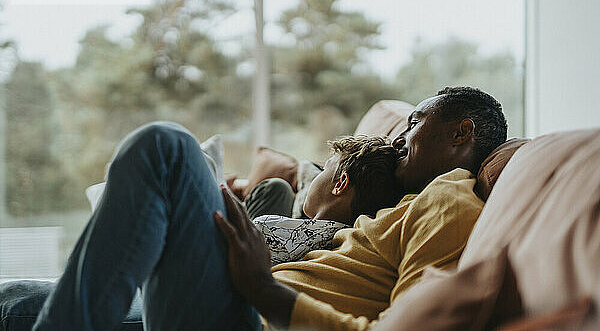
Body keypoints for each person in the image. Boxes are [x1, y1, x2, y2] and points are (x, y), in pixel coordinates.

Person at [33, 86, 507, 331]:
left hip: (252, 315)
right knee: (15, 300)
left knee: (167, 147)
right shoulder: (404, 204)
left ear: (461, 132)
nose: (399, 137)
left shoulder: (450, 202)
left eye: (414, 124)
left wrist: (263, 288)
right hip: (242, 309)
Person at [254, 135, 401, 264]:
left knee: (274, 188)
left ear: (341, 184)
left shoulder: (265, 229)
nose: (316, 176)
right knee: (278, 188)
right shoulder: (355, 241)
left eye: (324, 169)